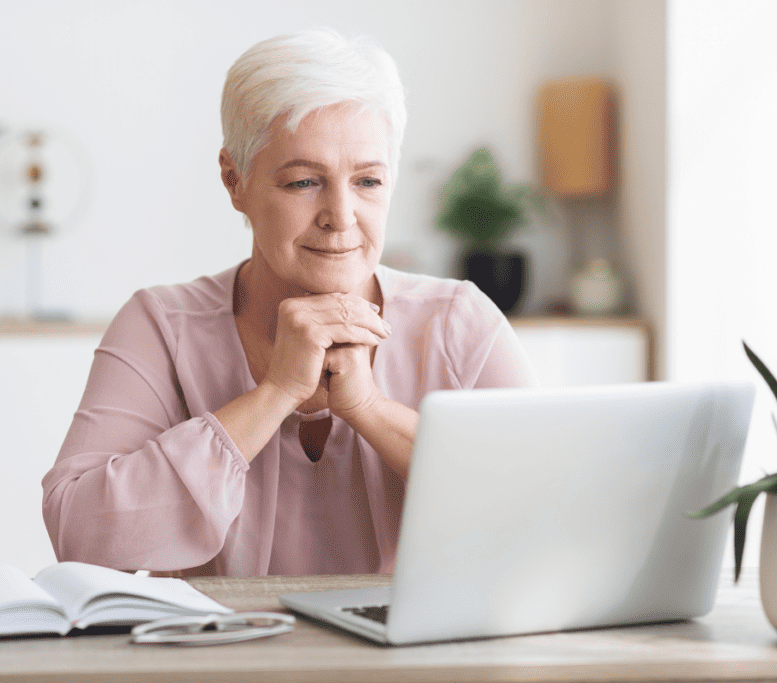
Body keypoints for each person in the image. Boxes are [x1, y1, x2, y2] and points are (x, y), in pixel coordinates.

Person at [42, 29, 536, 577]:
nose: (341, 215)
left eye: (368, 181)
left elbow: (543, 514)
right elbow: (81, 534)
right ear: (235, 180)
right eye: (303, 182)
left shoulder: (459, 323)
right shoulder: (160, 326)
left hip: (417, 662)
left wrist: (370, 411)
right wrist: (276, 393)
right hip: (217, 659)